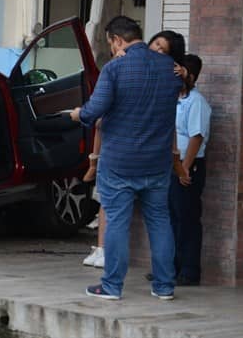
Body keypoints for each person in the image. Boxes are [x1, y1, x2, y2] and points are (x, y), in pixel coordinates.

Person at [71, 16, 182, 300]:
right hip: (157, 161)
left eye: (110, 44)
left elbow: (95, 109)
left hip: (119, 161)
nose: (111, 49)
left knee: (117, 222)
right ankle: (165, 286)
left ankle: (111, 286)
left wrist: (78, 114)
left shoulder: (115, 69)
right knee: (159, 221)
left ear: (118, 40)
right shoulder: (170, 69)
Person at [170, 53, 211, 286]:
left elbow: (196, 137)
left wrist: (184, 168)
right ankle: (171, 267)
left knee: (187, 218)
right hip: (172, 166)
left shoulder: (196, 102)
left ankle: (189, 270)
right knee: (172, 217)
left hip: (188, 166)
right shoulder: (175, 99)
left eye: (180, 72)